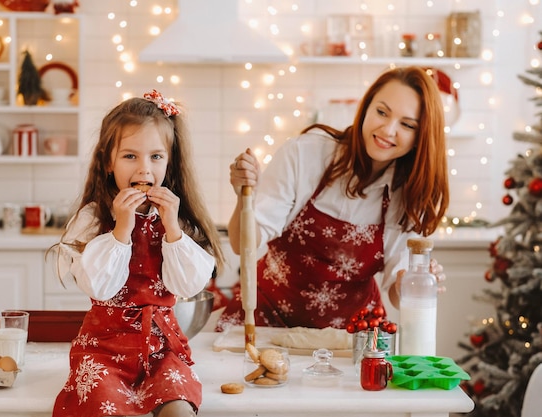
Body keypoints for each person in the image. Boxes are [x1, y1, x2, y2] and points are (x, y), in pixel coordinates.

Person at [216, 66, 448, 331]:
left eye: (407, 125)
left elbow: (396, 295)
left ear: (421, 137)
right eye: (381, 112)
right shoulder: (305, 154)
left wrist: (410, 282)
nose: (388, 129)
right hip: (266, 321)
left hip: (351, 336)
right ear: (366, 108)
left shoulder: (408, 194)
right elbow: (241, 244)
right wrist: (243, 199)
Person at [51, 90, 224, 417]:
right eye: (130, 156)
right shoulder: (93, 217)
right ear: (108, 161)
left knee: (180, 410)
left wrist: (173, 230)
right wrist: (121, 230)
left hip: (161, 350)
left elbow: (189, 287)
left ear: (169, 162)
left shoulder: (176, 220)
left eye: (156, 157)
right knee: (104, 407)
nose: (144, 168)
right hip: (103, 350)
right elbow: (99, 287)